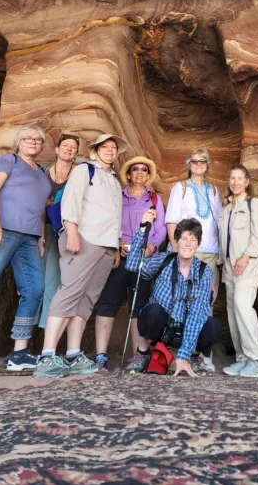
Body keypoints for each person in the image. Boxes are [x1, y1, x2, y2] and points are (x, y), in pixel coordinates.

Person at [33, 133, 127, 379]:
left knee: (86, 299)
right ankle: (47, 355)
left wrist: (115, 247)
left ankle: (73, 355)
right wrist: (72, 232)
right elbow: (70, 203)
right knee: (69, 291)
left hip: (106, 246)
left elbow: (114, 215)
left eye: (113, 148)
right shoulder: (85, 171)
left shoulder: (114, 181)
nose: (109, 151)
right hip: (84, 239)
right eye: (104, 147)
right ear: (95, 151)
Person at [0, 125, 51, 373]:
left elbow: (40, 210)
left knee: (34, 289)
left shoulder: (42, 173)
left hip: (29, 237)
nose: (33, 142)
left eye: (38, 139)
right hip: (0, 232)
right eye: (28, 138)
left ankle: (19, 353)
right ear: (19, 141)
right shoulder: (8, 160)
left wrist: (41, 238)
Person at [94, 156, 167, 371]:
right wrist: (117, 244)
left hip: (145, 259)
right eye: (135, 169)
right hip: (120, 257)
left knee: (139, 307)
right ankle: (100, 357)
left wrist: (152, 246)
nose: (140, 172)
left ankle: (138, 357)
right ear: (128, 173)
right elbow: (108, 221)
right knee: (107, 303)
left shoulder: (154, 199)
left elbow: (161, 228)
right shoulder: (118, 196)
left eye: (144, 170)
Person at [125, 218, 221, 377]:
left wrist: (182, 355)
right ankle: (142, 353)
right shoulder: (164, 260)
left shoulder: (205, 272)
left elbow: (197, 314)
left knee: (212, 326)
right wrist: (142, 231)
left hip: (187, 326)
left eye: (193, 239)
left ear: (198, 244)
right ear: (176, 241)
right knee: (152, 311)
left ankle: (193, 356)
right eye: (184, 238)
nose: (188, 243)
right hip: (163, 325)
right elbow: (133, 265)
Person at [165, 148, 223, 372]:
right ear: (189, 165)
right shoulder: (180, 188)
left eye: (203, 162)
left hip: (210, 253)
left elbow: (219, 222)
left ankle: (204, 354)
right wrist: (174, 248)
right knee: (183, 302)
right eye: (195, 161)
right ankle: (183, 353)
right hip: (188, 252)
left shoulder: (214, 190)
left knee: (207, 303)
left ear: (207, 165)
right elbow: (171, 221)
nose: (199, 165)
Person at [219, 164, 258, 377]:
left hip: (248, 262)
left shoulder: (253, 204)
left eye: (240, 178)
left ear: (247, 182)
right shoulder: (226, 208)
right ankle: (243, 357)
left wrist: (246, 256)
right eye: (232, 178)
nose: (236, 182)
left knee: (242, 305)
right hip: (229, 264)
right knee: (232, 310)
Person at [38, 133, 80, 329]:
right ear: (57, 149)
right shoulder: (43, 172)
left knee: (52, 282)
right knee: (34, 284)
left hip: (62, 232)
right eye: (66, 145)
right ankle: (25, 338)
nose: (69, 149)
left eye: (73, 147)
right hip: (39, 229)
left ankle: (46, 337)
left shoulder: (78, 176)